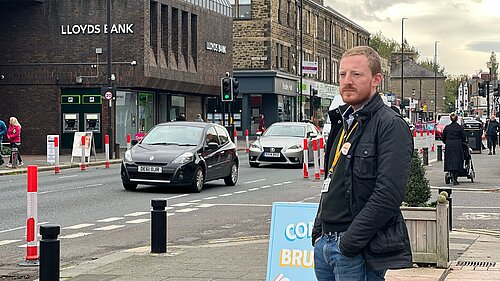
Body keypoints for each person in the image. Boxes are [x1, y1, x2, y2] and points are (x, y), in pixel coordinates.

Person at [311, 46, 413, 281]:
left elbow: (388, 195)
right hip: (326, 244)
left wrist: (349, 243)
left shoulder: (390, 125)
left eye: (356, 74)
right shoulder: (343, 122)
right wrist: (318, 231)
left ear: (376, 79)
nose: (347, 81)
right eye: (342, 74)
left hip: (356, 250)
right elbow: (333, 179)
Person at [442, 112, 467, 185]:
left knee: (449, 160)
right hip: (457, 145)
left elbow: (443, 137)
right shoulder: (460, 128)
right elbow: (463, 138)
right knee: (457, 160)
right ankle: (455, 178)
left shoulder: (447, 128)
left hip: (449, 145)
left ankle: (451, 173)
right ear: (457, 119)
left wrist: (446, 142)